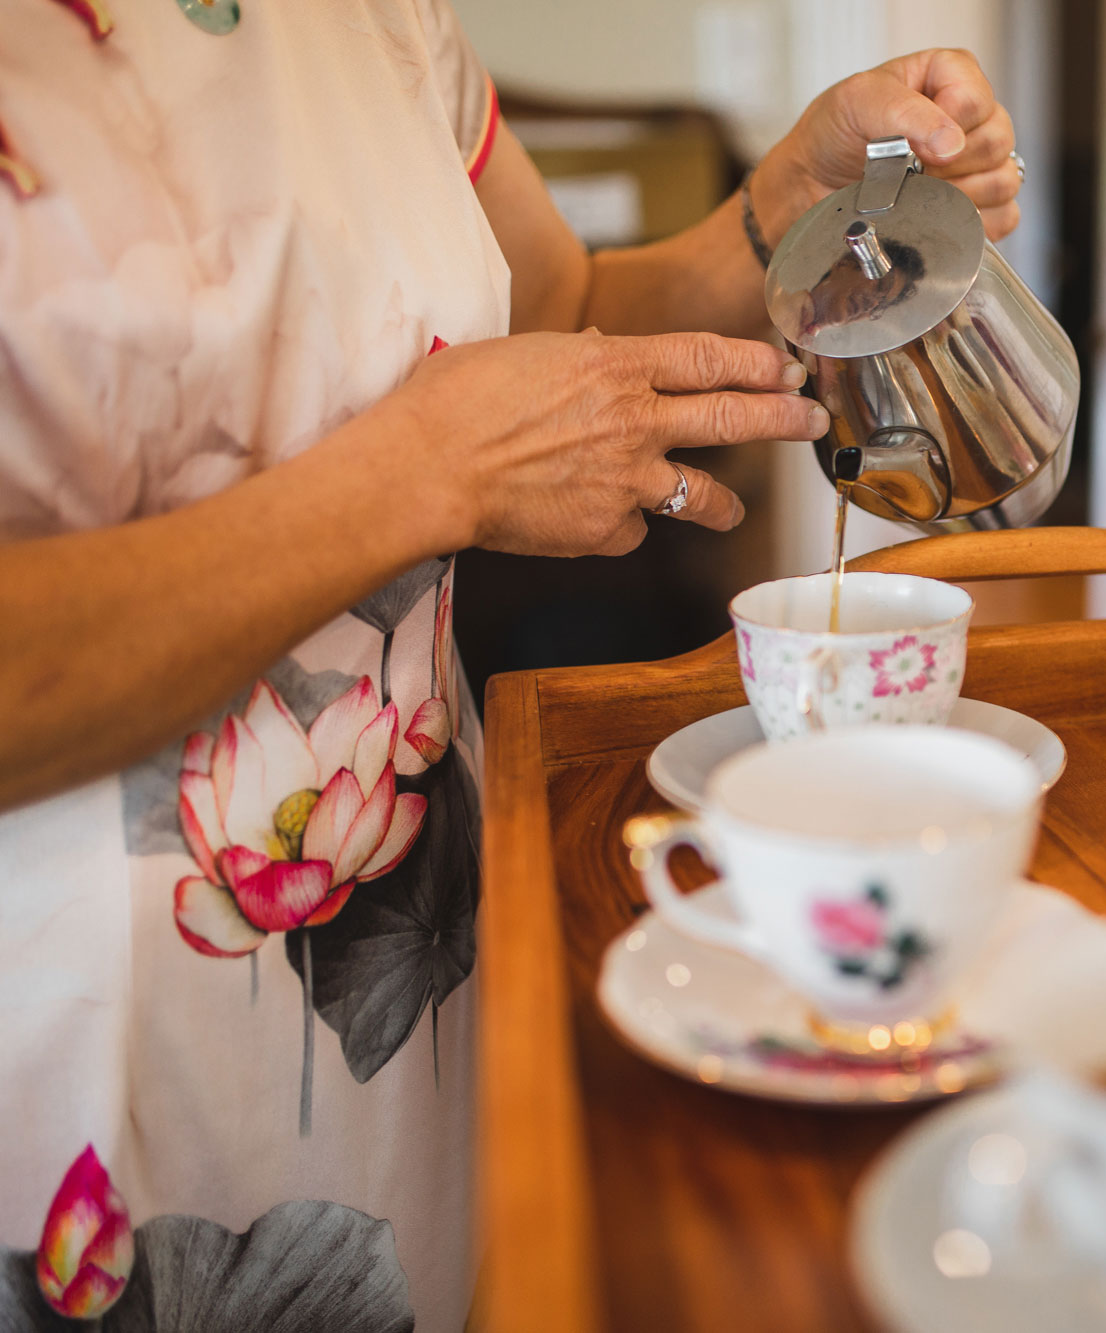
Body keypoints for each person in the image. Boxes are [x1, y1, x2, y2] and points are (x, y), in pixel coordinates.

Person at [0, 3, 1020, 1327]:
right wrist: (426, 474)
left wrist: (778, 212)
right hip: (57, 1062)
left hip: (412, 995)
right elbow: (443, 441)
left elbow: (565, 308)